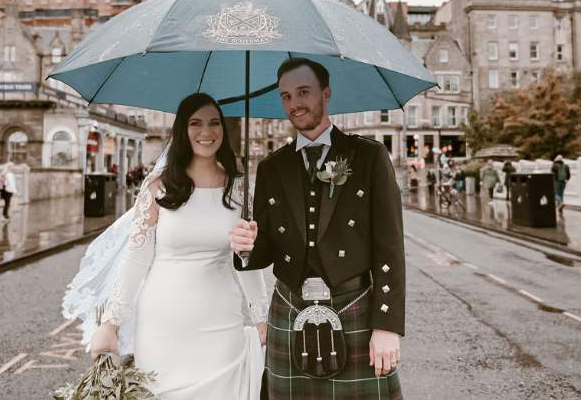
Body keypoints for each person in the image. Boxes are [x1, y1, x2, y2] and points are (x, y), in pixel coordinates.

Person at [230, 58, 404, 398]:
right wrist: (245, 246)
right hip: (289, 306)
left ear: (326, 94)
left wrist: (386, 326)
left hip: (354, 304)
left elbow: (390, 248)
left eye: (303, 92)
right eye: (285, 96)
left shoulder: (368, 156)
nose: (294, 104)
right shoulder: (271, 167)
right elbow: (265, 248)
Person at [87, 93, 267, 399]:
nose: (206, 132)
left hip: (221, 321)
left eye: (214, 123)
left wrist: (262, 318)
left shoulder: (240, 187)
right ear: (182, 130)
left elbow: (246, 259)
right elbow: (136, 257)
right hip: (164, 321)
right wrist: (110, 324)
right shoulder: (159, 185)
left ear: (224, 129)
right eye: (195, 123)